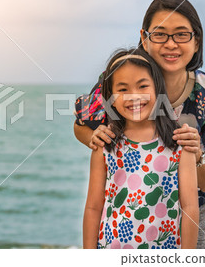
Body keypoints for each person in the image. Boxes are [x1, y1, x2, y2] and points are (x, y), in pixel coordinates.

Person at [75, 0, 205, 248]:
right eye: (160, 34)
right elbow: (82, 125)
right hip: (124, 217)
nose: (171, 44)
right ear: (145, 39)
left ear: (196, 40)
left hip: (188, 218)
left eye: (181, 34)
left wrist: (196, 153)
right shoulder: (120, 73)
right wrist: (97, 137)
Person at [83, 48, 199, 249]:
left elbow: (190, 208)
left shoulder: (179, 143)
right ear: (110, 97)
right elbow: (93, 207)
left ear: (158, 88)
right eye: (123, 89)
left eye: (142, 86)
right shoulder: (105, 144)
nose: (133, 97)